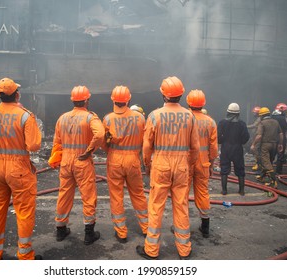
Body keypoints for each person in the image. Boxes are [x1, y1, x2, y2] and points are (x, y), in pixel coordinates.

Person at [136, 76, 199, 260]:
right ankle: (184, 250)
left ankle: (152, 250)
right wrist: (189, 164)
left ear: (163, 94)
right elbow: (195, 147)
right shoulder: (190, 116)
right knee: (181, 205)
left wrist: (147, 164)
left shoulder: (154, 116)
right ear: (181, 95)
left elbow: (147, 146)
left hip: (161, 164)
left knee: (156, 206)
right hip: (181, 165)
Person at [0, 77, 42, 260]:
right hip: (19, 169)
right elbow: (34, 145)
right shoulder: (24, 115)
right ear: (17, 94)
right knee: (24, 212)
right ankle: (25, 255)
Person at [51, 85, 105, 245]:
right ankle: (89, 233)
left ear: (73, 100)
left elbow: (57, 142)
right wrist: (90, 151)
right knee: (88, 196)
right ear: (87, 100)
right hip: (82, 160)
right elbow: (100, 134)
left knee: (64, 194)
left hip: (66, 160)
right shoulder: (90, 117)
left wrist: (57, 159)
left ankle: (60, 230)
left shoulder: (62, 118)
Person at [102, 86, 148, 243]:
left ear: (113, 99)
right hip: (133, 160)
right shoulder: (140, 118)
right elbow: (146, 141)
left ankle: (121, 232)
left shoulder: (108, 119)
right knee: (138, 194)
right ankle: (147, 228)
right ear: (128, 99)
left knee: (116, 196)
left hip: (115, 159)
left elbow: (104, 143)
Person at [186, 89, 218, 238]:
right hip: (203, 162)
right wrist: (211, 163)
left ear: (188, 103)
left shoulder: (185, 119)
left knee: (182, 194)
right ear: (203, 104)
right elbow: (213, 147)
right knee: (203, 193)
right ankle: (205, 225)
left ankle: (182, 224)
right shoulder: (210, 121)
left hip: (186, 162)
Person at [218, 103, 250, 195]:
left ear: (228, 112)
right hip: (237, 148)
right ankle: (241, 190)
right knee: (240, 169)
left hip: (226, 148)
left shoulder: (222, 123)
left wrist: (222, 141)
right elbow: (246, 137)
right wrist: (240, 142)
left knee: (224, 168)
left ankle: (224, 190)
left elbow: (218, 136)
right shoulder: (242, 124)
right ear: (238, 113)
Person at [250, 107, 283, 187]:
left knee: (266, 162)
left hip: (265, 145)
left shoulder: (262, 123)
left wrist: (253, 144)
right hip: (274, 145)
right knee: (269, 162)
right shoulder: (276, 122)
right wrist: (280, 144)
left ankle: (273, 181)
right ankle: (262, 177)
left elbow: (259, 136)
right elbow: (281, 134)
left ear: (261, 115)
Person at [271, 103, 287, 174]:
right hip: (281, 138)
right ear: (282, 110)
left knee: (271, 154)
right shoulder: (284, 118)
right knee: (280, 155)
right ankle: (278, 171)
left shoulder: (272, 117)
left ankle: (268, 170)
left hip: (272, 138)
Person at [247, 106, 261, 171]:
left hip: (258, 136)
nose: (253, 114)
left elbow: (254, 125)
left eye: (254, 112)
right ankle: (257, 163)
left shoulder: (259, 119)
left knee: (256, 150)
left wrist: (246, 126)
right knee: (255, 150)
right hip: (255, 135)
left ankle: (258, 164)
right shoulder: (258, 118)